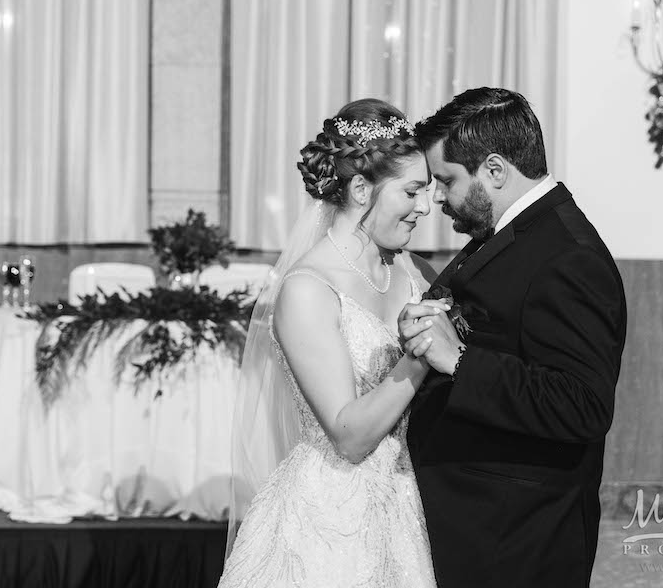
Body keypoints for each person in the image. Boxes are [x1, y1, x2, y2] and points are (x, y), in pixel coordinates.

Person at [400, 87, 628, 588]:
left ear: (496, 170)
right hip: (477, 526)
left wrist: (459, 361)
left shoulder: (568, 257)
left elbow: (583, 404)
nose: (436, 197)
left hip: (518, 540)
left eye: (446, 180)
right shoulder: (508, 232)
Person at [218, 98, 443, 587]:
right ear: (361, 189)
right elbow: (349, 436)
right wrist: (422, 354)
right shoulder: (307, 289)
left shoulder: (412, 273)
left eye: (427, 190)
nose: (426, 207)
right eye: (412, 191)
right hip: (325, 525)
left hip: (404, 507)